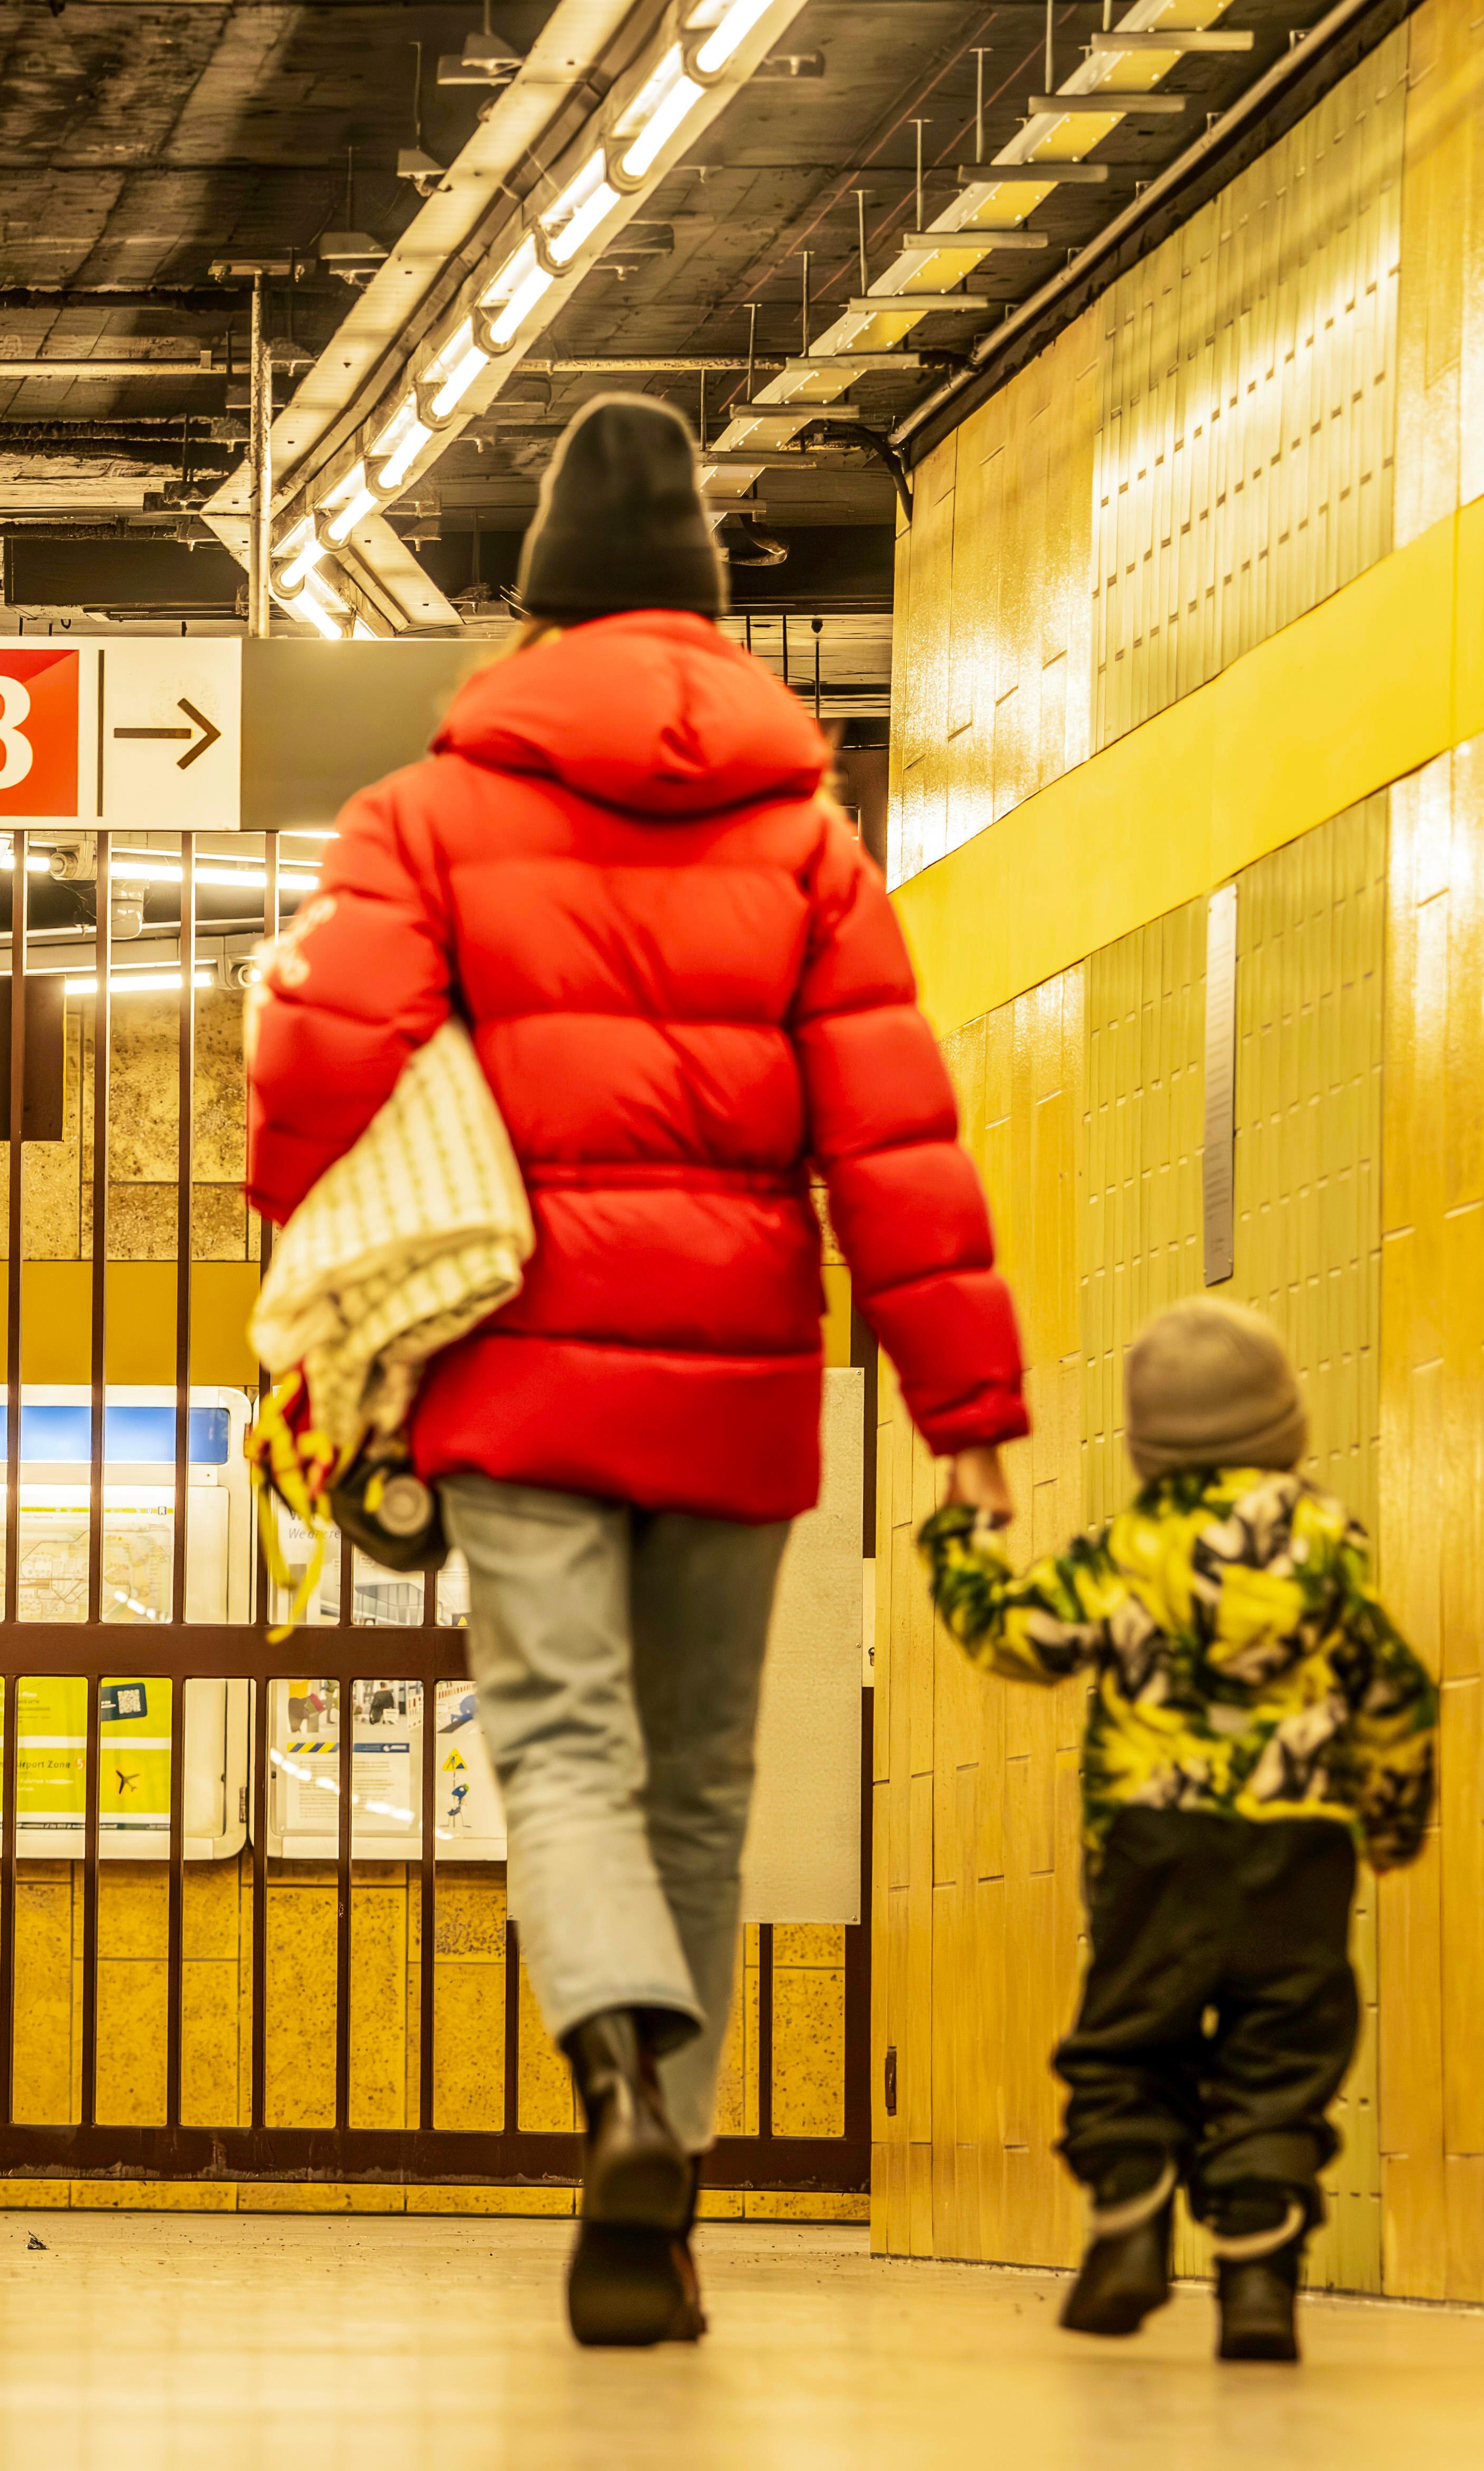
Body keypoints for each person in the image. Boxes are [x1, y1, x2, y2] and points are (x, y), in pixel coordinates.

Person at [245, 394, 1030, 2346]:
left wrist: (308, 1245)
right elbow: (893, 1134)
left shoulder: (423, 816)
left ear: (530, 617)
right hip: (740, 1377)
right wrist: (964, 1409)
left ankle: (612, 2084)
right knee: (700, 1781)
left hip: (515, 1373)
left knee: (561, 1754)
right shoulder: (801, 833)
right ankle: (659, 2194)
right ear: (701, 616)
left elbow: (313, 1062)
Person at [916, 1296, 1438, 2363]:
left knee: (1131, 2032)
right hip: (1299, 1845)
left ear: (1148, 1437)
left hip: (1152, 1843)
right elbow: (1393, 1682)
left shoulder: (1126, 1549)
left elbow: (1014, 1635)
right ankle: (1257, 2284)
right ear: (1283, 1422)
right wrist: (1387, 1821)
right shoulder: (1330, 1542)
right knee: (1281, 2051)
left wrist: (962, 1534)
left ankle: (1127, 2220)